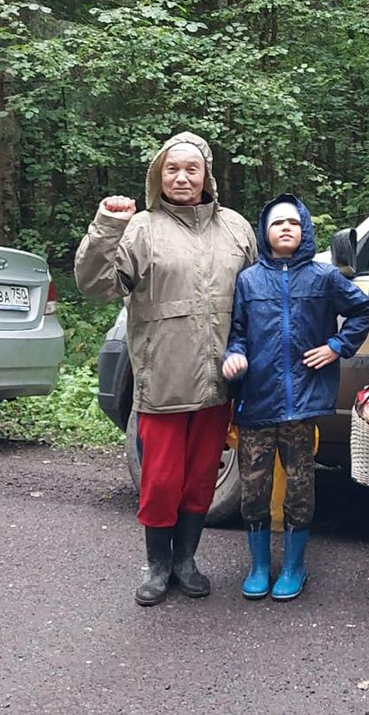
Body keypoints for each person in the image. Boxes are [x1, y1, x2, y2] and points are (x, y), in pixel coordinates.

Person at [75, 132, 258, 606]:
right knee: (160, 481)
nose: (182, 177)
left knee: (201, 479)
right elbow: (96, 286)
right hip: (162, 381)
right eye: (172, 169)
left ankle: (186, 561)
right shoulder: (141, 228)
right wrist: (107, 227)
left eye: (191, 169)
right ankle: (157, 566)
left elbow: (258, 299)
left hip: (221, 383)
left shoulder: (236, 228)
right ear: (159, 175)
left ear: (206, 176)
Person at [222, 194, 369, 601]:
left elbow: (363, 310)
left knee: (299, 487)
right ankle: (257, 565)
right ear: (264, 233)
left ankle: (293, 565)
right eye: (276, 224)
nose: (285, 228)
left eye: (293, 222)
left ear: (305, 229)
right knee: (254, 488)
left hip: (302, 405)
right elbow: (235, 332)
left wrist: (337, 346)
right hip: (256, 403)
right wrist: (234, 356)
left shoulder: (322, 277)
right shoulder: (248, 280)